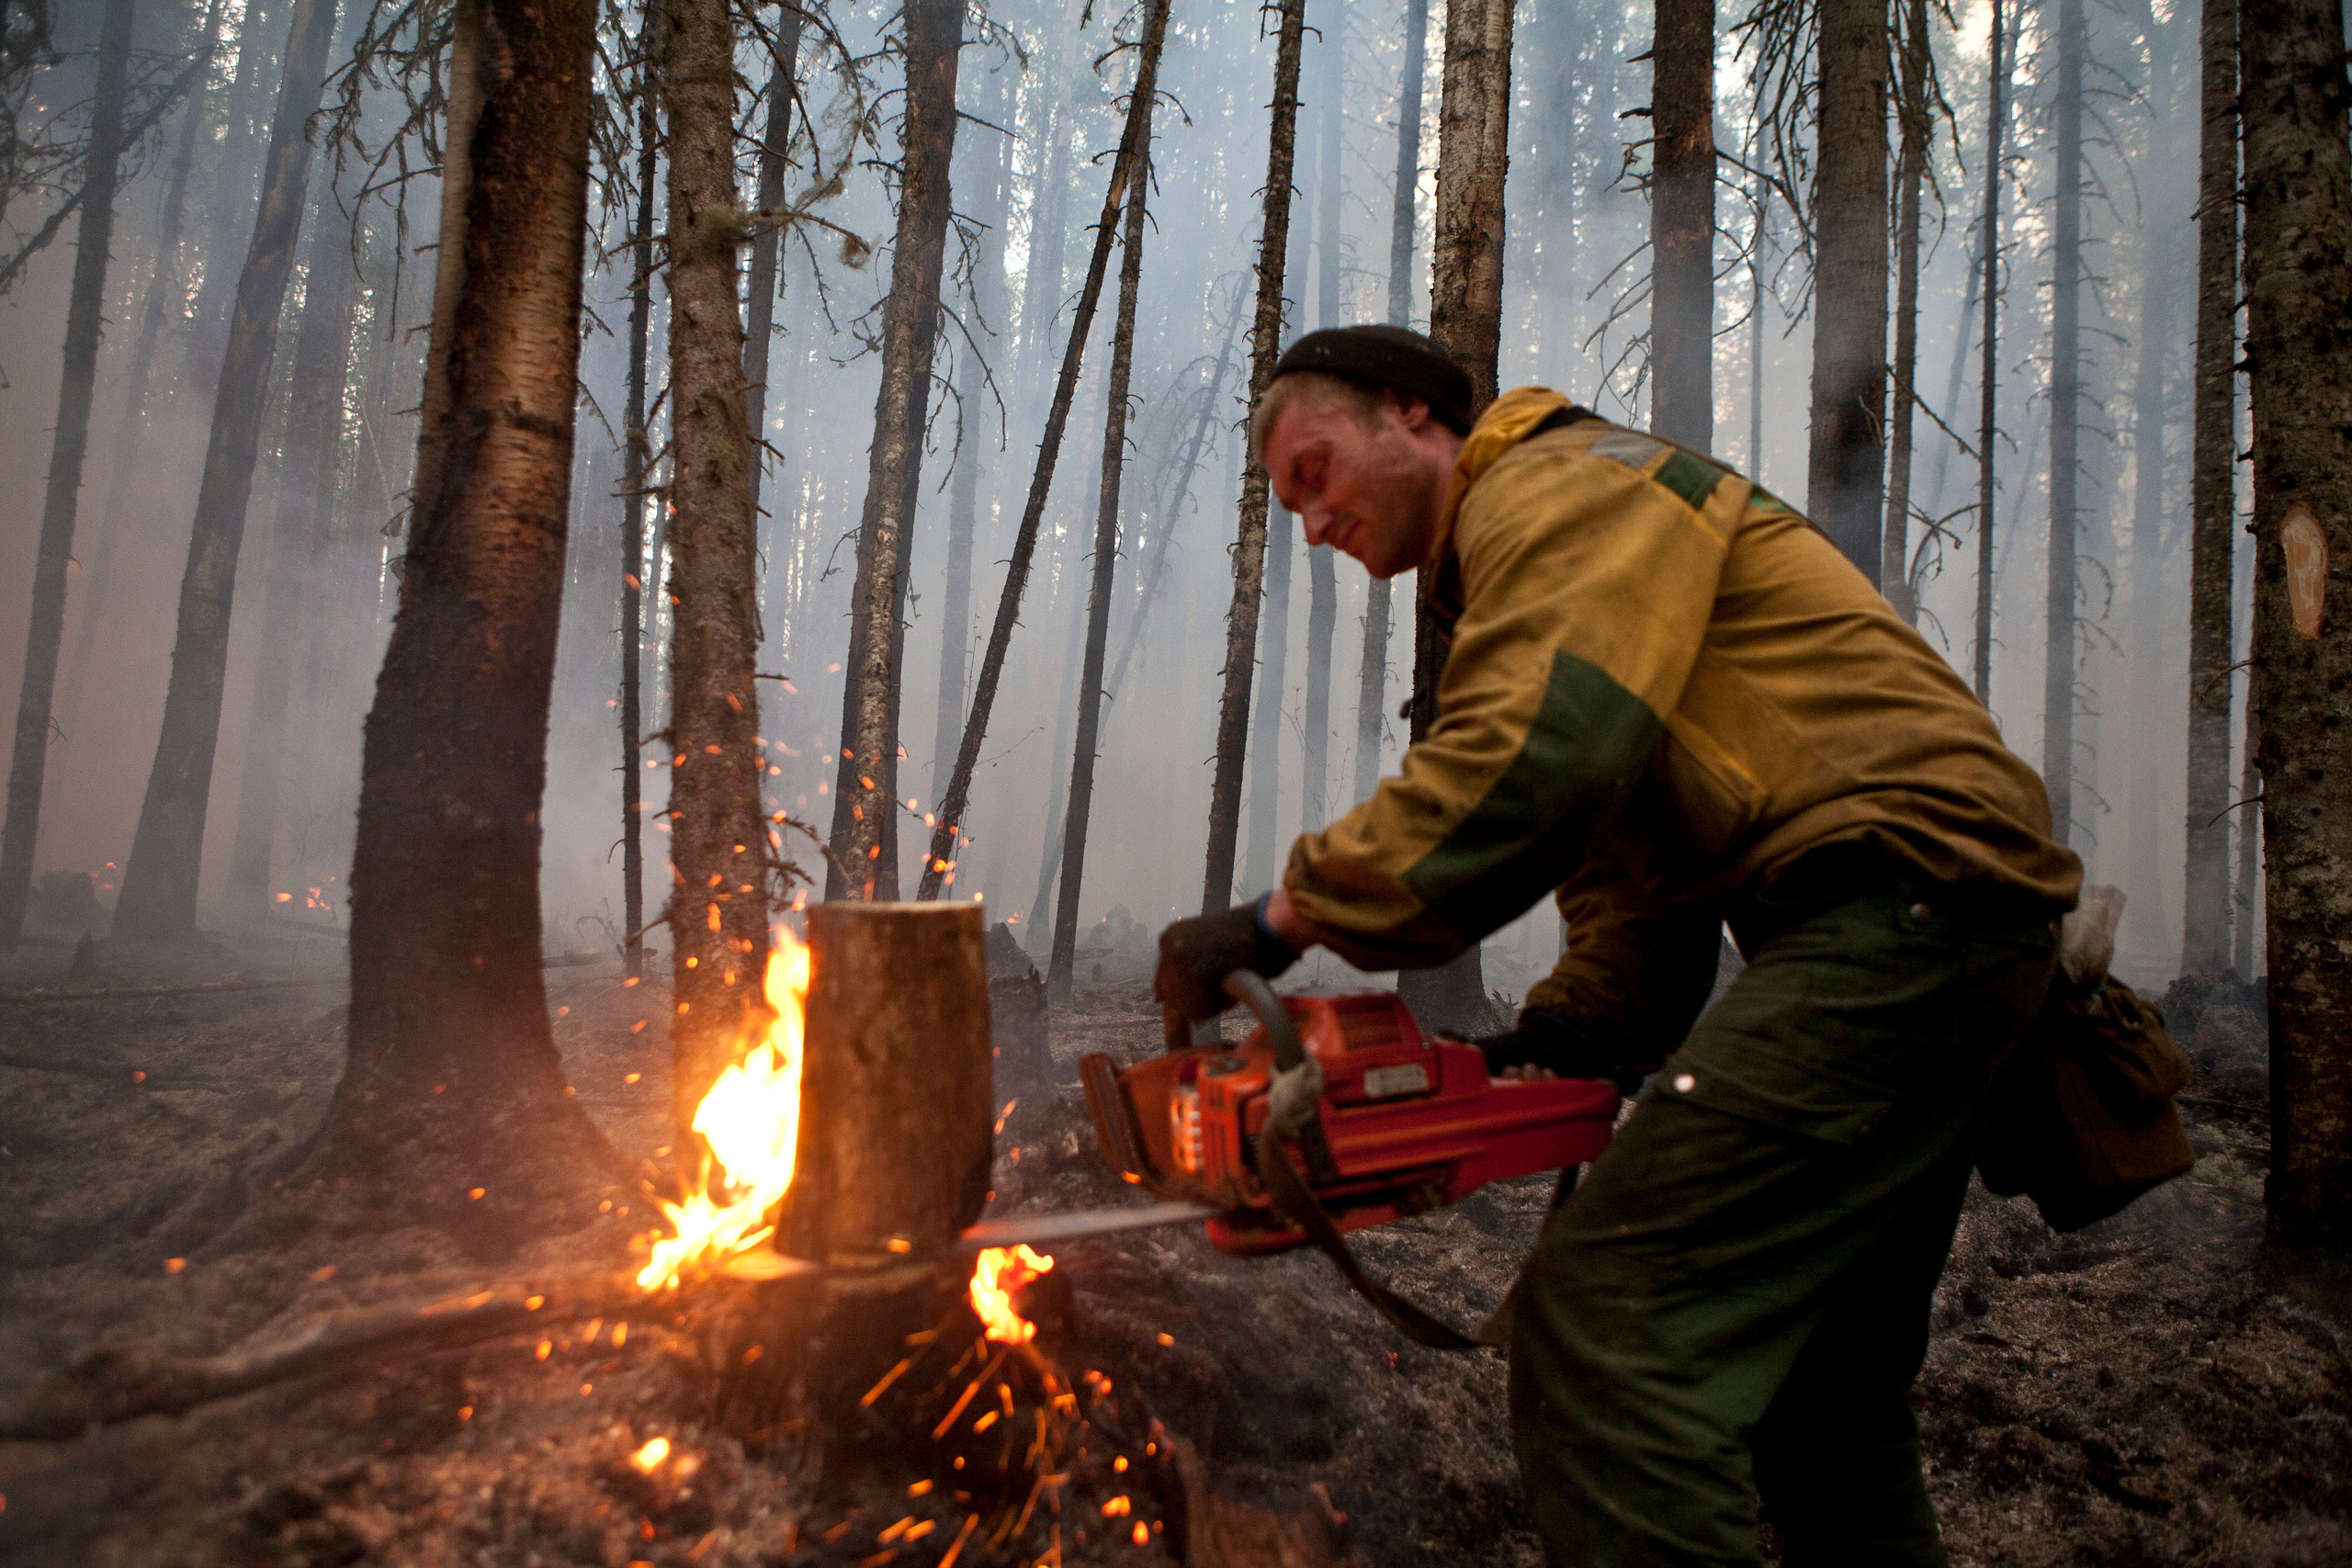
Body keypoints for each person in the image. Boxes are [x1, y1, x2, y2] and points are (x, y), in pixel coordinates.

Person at [1153, 324, 2081, 1568]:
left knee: (1611, 1332)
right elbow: (1631, 853)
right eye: (1290, 507)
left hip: (1897, 916)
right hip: (1931, 921)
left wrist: (1274, 921)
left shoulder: (1559, 490)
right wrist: (1580, 1028)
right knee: (1819, 1391)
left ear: (1405, 410)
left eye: (1315, 474)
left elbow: (1530, 768)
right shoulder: (1554, 547)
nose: (1312, 524)